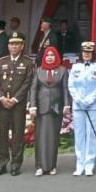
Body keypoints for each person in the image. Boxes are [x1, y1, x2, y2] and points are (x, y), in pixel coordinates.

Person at [0, 29, 34, 177]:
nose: (14, 47)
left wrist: (15, 99)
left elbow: (28, 82)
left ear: (22, 46)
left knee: (17, 135)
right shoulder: (1, 61)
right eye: (12, 44)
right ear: (8, 46)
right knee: (1, 134)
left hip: (18, 104)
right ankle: (1, 164)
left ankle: (16, 164)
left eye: (17, 44)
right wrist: (1, 98)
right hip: (2, 103)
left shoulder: (28, 62)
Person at [30, 45, 69, 176]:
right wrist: (32, 106)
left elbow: (65, 89)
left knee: (53, 138)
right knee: (40, 137)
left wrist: (67, 105)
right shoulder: (39, 70)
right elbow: (34, 89)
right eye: (47, 55)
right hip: (41, 108)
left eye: (52, 55)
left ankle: (52, 166)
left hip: (56, 108)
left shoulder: (63, 70)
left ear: (56, 56)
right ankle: (39, 166)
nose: (50, 58)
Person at [68, 40, 96, 176]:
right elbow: (71, 85)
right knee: (79, 135)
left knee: (91, 135)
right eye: (84, 52)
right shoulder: (75, 67)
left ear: (93, 53)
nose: (86, 54)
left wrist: (89, 100)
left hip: (92, 105)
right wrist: (78, 99)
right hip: (78, 105)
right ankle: (79, 164)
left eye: (89, 52)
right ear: (81, 53)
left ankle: (89, 164)